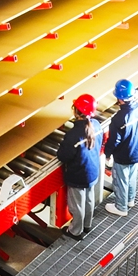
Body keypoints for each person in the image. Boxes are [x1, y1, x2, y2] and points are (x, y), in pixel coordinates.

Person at [56, 94, 101, 241]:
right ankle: (87, 225)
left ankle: (75, 231)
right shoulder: (97, 125)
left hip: (78, 175)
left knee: (77, 205)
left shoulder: (73, 135)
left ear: (76, 111)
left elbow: (63, 156)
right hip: (93, 171)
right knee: (89, 199)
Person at [104, 78, 138, 216]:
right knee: (132, 177)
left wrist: (107, 153)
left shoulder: (118, 118)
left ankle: (121, 207)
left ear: (119, 98)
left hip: (123, 155)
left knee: (121, 181)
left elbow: (114, 140)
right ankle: (130, 200)